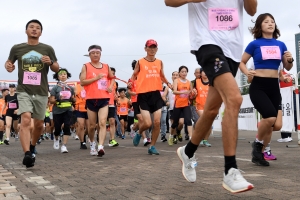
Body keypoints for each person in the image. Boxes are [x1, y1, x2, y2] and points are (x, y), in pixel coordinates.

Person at [165, 0, 257, 193]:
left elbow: (252, 10)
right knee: (235, 98)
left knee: (211, 111)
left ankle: (187, 152)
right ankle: (230, 170)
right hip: (208, 44)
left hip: (232, 51)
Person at [239, 13, 293, 166]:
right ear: (260, 26)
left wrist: (290, 60)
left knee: (276, 125)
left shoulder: (280, 44)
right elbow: (241, 62)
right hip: (259, 86)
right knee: (269, 117)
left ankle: (258, 154)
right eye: (266, 22)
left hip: (274, 87)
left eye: (272, 21)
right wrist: (246, 72)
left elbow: (287, 67)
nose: (270, 24)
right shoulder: (254, 44)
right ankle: (258, 146)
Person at [5, 19, 59, 168]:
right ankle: (27, 154)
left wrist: (50, 62)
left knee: (40, 124)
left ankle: (33, 145)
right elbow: (9, 63)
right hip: (23, 90)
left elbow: (56, 68)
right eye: (31, 27)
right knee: (26, 119)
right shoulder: (17, 48)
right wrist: (8, 66)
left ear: (41, 32)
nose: (34, 29)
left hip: (41, 91)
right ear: (26, 30)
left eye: (37, 28)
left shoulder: (47, 48)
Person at [128, 39, 172, 155]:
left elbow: (162, 76)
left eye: (154, 47)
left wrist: (168, 83)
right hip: (143, 95)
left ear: (157, 49)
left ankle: (152, 146)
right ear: (145, 49)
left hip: (156, 94)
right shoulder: (140, 62)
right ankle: (139, 133)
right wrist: (130, 82)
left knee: (157, 123)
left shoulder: (160, 62)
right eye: (150, 47)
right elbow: (134, 75)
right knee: (147, 123)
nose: (152, 49)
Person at [80, 44, 115, 157]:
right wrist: (96, 78)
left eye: (97, 53)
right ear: (89, 54)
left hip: (104, 98)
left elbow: (112, 78)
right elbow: (82, 82)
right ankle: (92, 143)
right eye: (93, 53)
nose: (95, 55)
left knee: (102, 122)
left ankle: (101, 146)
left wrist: (110, 86)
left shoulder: (106, 66)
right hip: (91, 98)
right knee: (91, 126)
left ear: (100, 54)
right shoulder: (86, 66)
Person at [49, 68, 75, 153]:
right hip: (57, 110)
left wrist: (73, 99)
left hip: (68, 109)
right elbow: (51, 100)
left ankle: (64, 146)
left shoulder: (70, 88)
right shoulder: (55, 88)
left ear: (67, 76)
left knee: (67, 126)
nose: (63, 75)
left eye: (65, 74)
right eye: (61, 74)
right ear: (58, 77)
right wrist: (58, 99)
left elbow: (74, 100)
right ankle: (56, 138)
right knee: (57, 128)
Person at [169, 66, 194, 146]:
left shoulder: (189, 82)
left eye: (185, 72)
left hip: (186, 105)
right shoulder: (177, 80)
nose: (184, 73)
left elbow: (191, 93)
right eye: (182, 71)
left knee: (188, 120)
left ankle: (191, 138)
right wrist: (184, 92)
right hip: (178, 105)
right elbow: (174, 91)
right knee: (175, 123)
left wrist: (193, 94)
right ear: (179, 73)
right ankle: (171, 136)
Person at [195, 68, 211, 147]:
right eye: (204, 71)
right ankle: (199, 138)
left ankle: (205, 140)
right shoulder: (197, 82)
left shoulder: (212, 82)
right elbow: (191, 92)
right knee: (205, 119)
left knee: (209, 124)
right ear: (200, 73)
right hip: (199, 105)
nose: (205, 73)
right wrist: (193, 93)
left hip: (209, 106)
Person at [74, 75, 89, 149]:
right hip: (79, 108)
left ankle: (85, 135)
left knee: (90, 128)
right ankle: (82, 142)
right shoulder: (76, 87)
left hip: (89, 108)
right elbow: (73, 97)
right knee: (81, 125)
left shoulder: (90, 86)